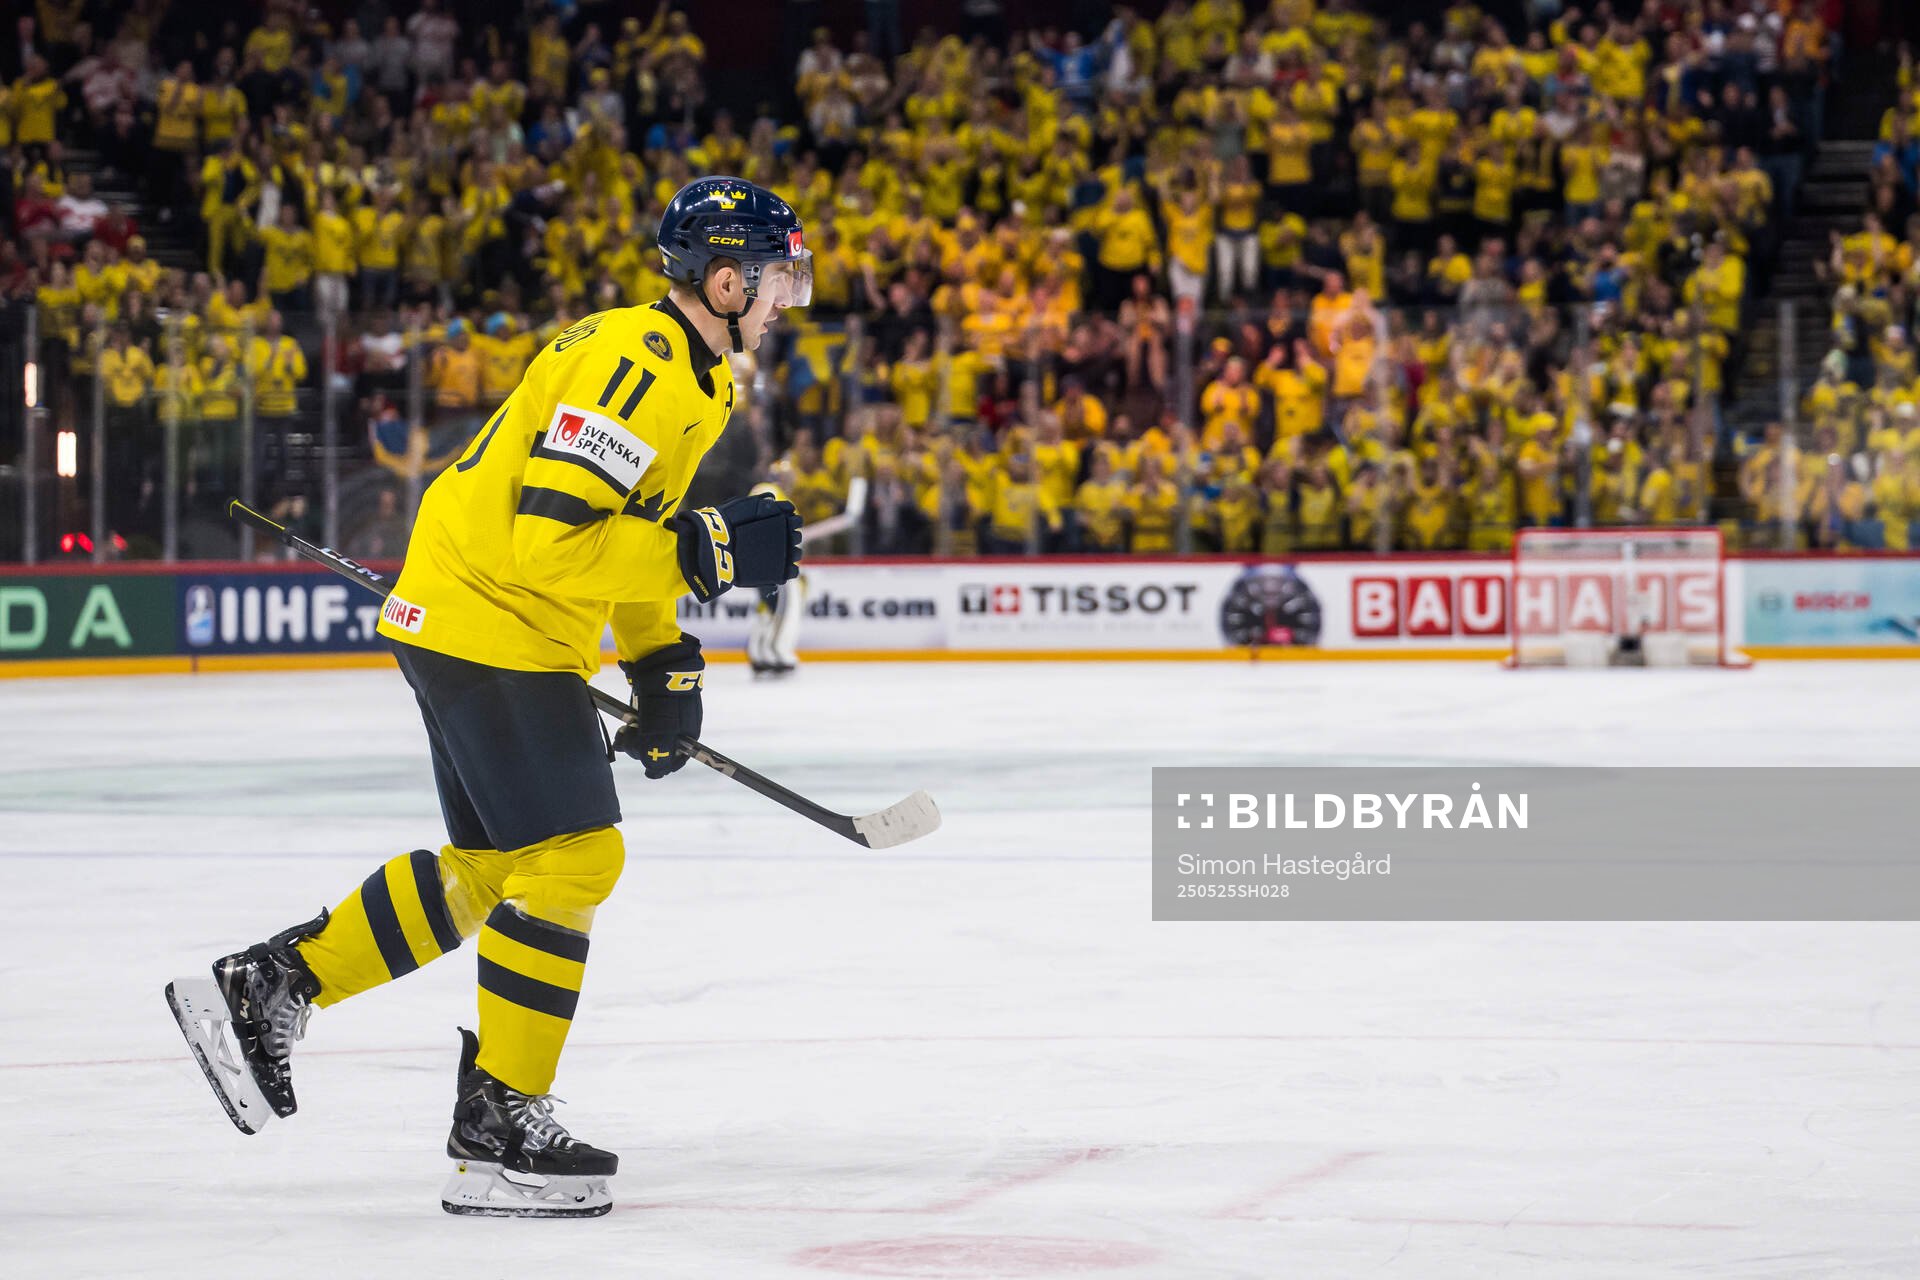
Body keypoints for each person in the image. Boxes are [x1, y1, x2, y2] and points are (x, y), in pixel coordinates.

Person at [167, 177, 811, 1218]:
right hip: (494, 619)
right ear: (727, 278)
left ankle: (274, 983)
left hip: (483, 621)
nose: (792, 294)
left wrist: (662, 664)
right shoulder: (633, 364)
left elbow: (626, 525)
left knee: (495, 867)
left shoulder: (692, 374)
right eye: (782, 274)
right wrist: (708, 552)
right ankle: (501, 1116)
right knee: (575, 855)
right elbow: (548, 542)